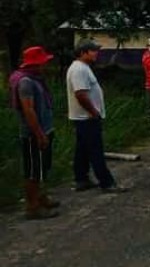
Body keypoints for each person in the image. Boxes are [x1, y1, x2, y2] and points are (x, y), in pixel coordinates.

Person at [66, 39, 126, 193]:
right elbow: (80, 94)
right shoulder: (79, 70)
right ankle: (107, 182)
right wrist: (93, 111)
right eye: (93, 50)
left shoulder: (82, 68)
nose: (96, 53)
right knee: (95, 150)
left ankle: (81, 179)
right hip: (86, 117)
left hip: (83, 117)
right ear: (83, 52)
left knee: (83, 150)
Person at [10, 46, 59, 219]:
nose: (45, 65)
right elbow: (28, 110)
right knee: (32, 170)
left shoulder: (35, 78)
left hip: (44, 128)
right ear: (35, 63)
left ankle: (40, 197)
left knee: (41, 168)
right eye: (43, 62)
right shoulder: (26, 82)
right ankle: (32, 207)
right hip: (33, 134)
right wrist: (39, 134)